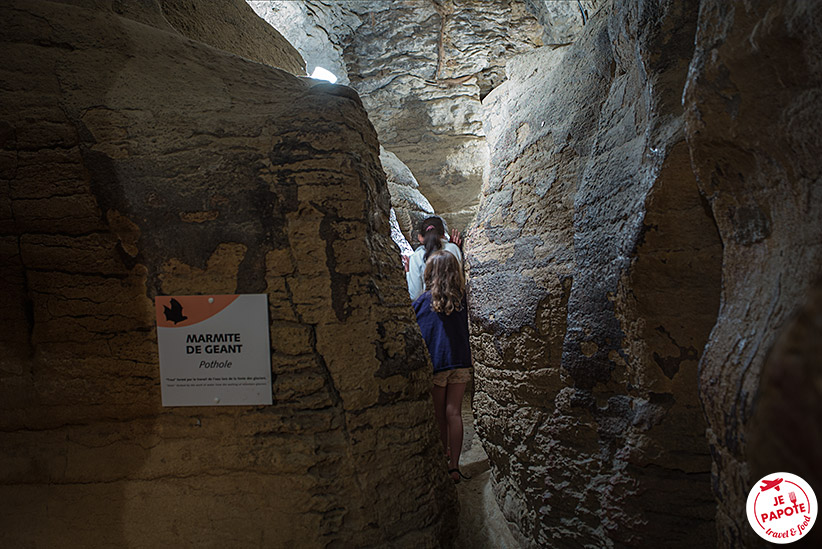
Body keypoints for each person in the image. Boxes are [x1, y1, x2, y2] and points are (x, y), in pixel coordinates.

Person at [412, 251, 472, 483]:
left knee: (439, 415)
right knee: (454, 413)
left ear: (429, 273)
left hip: (437, 364)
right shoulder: (463, 301)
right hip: (460, 362)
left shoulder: (421, 303)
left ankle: (442, 456)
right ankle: (455, 466)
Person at [405, 216, 463, 302]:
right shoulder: (453, 249)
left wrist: (408, 273)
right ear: (444, 234)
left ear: (420, 237)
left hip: (428, 311)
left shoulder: (416, 257)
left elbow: (415, 295)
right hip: (455, 307)